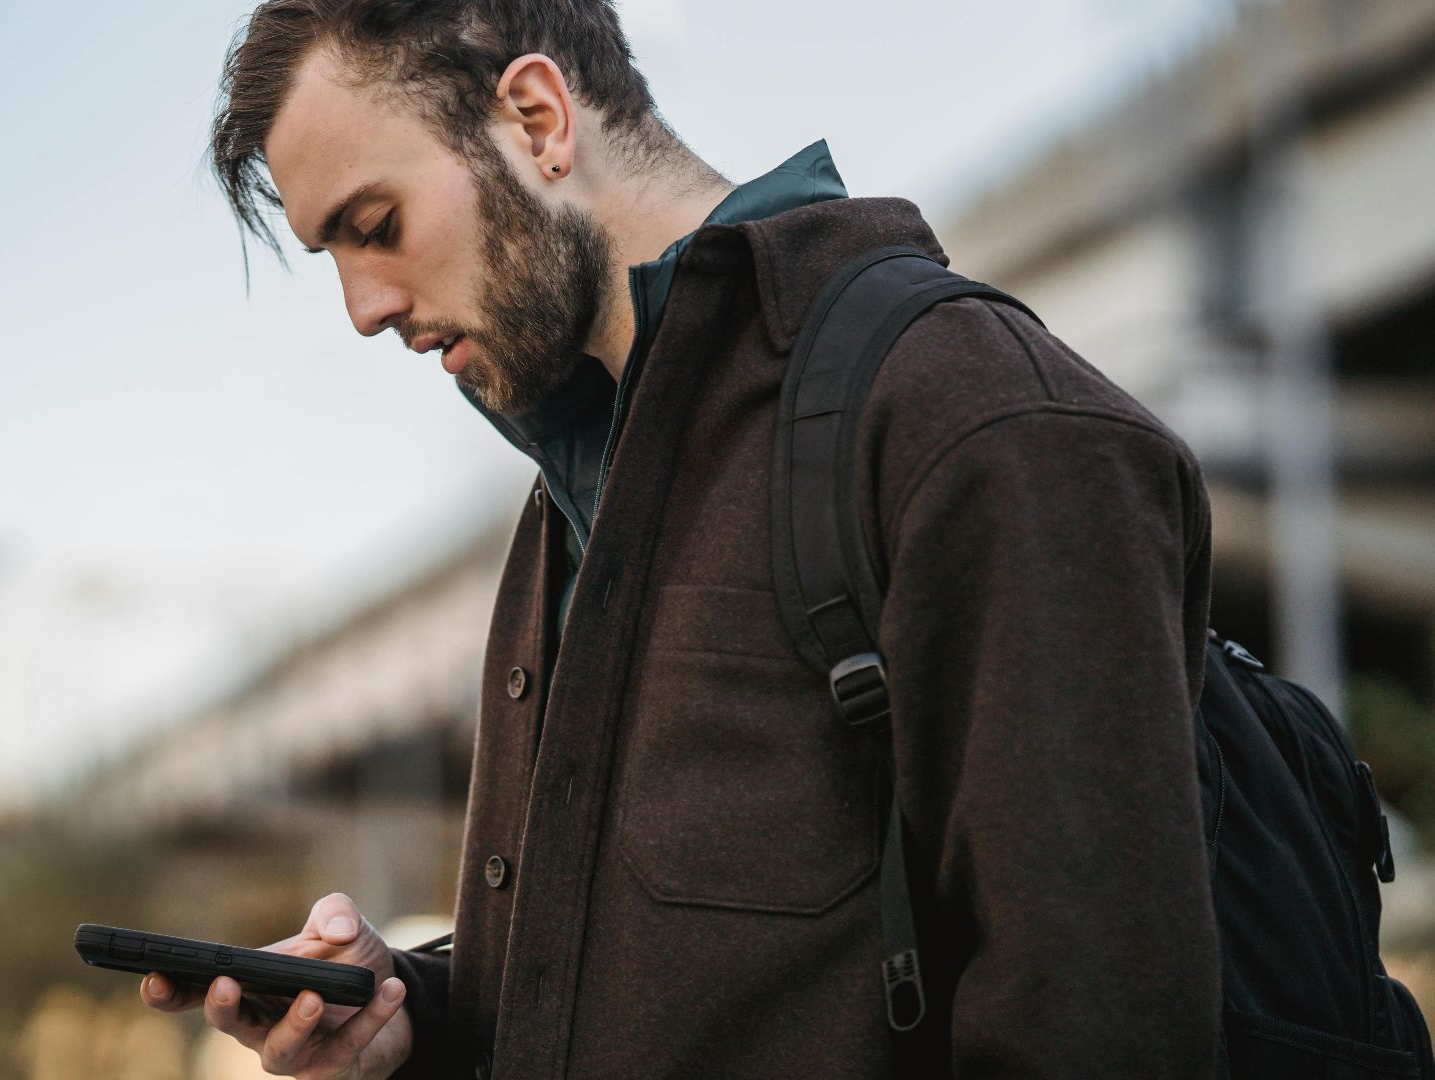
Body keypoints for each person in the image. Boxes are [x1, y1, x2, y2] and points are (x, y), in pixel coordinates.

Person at [143, 2, 1221, 1077]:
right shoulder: (579, 489)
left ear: (537, 118)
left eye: (374, 225)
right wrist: (413, 1016)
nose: (362, 308)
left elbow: (1098, 1023)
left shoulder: (970, 418)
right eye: (330, 252)